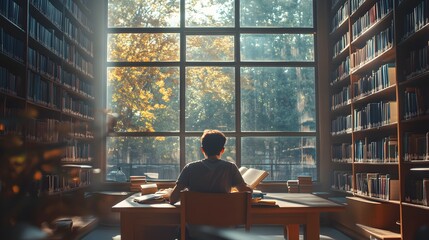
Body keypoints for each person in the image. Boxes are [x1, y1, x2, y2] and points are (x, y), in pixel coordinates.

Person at [167, 129, 252, 204]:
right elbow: (246, 192)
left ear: (202, 150)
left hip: (195, 220)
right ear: (222, 150)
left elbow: (173, 199)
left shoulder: (190, 168)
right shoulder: (230, 168)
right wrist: (249, 187)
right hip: (224, 219)